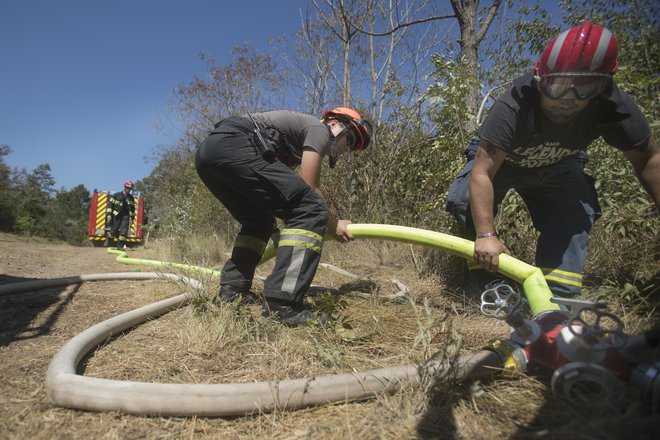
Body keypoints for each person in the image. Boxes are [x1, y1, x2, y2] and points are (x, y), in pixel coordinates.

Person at [445, 21, 660, 298]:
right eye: (558, 86)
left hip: (560, 165)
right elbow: (483, 172)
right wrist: (486, 235)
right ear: (540, 78)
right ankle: (492, 285)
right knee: (465, 200)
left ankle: (555, 295)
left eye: (584, 88)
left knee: (575, 210)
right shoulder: (514, 105)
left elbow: (649, 160)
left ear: (604, 87)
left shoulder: (615, 108)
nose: (568, 99)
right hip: (503, 162)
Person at [195, 107, 372, 326]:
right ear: (335, 124)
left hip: (208, 154)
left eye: (353, 147)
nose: (347, 148)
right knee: (312, 207)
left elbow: (279, 198)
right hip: (236, 143)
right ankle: (282, 305)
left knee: (258, 221)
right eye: (350, 139)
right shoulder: (319, 129)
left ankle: (233, 290)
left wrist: (279, 237)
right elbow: (309, 188)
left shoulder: (291, 146)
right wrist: (334, 224)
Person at [106, 181, 137, 251]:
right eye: (128, 188)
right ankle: (109, 242)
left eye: (130, 188)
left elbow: (132, 210)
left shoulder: (131, 198)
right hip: (116, 215)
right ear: (125, 187)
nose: (129, 190)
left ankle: (120, 246)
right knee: (114, 230)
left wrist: (132, 218)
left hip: (125, 216)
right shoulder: (116, 195)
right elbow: (110, 205)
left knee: (123, 231)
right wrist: (109, 215)